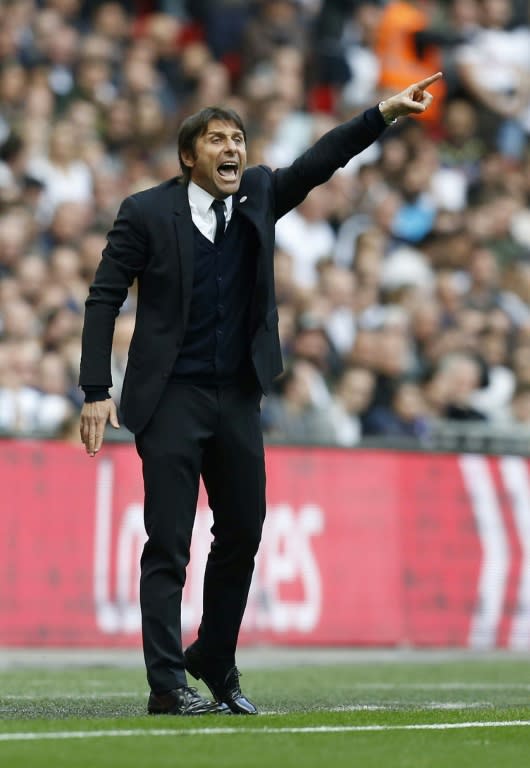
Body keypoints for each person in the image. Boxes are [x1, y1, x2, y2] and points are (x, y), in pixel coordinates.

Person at [78, 71, 442, 717]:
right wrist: (94, 388)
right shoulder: (145, 212)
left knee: (243, 529)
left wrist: (382, 113)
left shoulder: (259, 194)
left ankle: (214, 655)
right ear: (190, 155)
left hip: (238, 396)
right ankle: (167, 685)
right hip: (169, 399)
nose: (233, 150)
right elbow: (105, 296)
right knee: (168, 542)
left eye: (238, 139)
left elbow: (321, 162)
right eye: (218, 139)